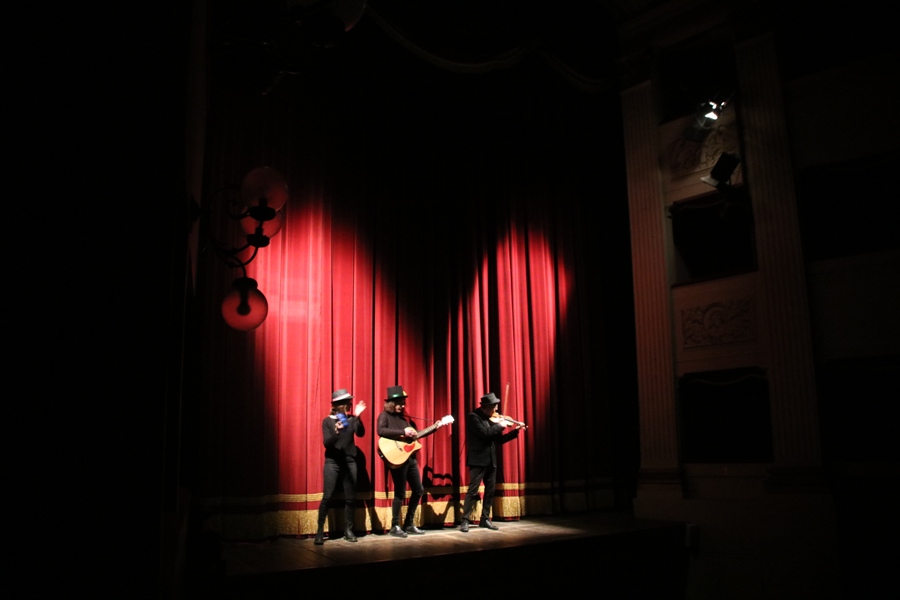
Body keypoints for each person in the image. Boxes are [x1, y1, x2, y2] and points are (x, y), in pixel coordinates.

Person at [459, 392, 523, 532]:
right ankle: (465, 520)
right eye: (494, 407)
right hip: (478, 460)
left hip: (491, 460)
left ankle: (485, 519)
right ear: (487, 407)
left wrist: (515, 432)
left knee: (490, 491)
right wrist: (500, 425)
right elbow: (485, 433)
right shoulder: (473, 417)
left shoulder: (493, 419)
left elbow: (499, 440)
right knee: (472, 491)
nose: (496, 410)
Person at [315, 388, 366, 545]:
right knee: (327, 497)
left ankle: (348, 530)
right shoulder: (327, 421)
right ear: (340, 405)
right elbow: (327, 444)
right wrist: (336, 431)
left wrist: (358, 417)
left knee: (350, 498)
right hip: (333, 462)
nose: (351, 404)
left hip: (349, 462)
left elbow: (361, 433)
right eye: (348, 402)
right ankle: (319, 531)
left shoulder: (351, 419)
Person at [377, 385, 427, 538]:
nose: (402, 406)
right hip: (397, 458)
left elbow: (413, 437)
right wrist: (402, 432)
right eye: (399, 403)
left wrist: (433, 428)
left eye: (403, 403)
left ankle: (409, 524)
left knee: (418, 490)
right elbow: (381, 431)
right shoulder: (384, 415)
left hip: (410, 459)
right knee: (400, 492)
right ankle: (395, 526)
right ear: (391, 403)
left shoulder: (403, 419)